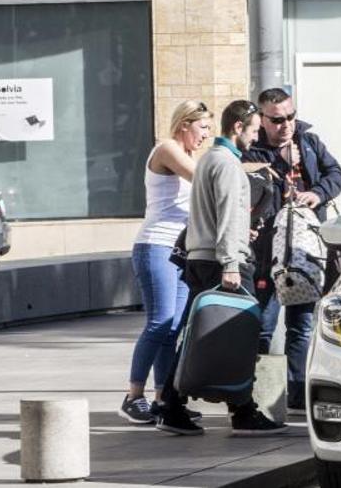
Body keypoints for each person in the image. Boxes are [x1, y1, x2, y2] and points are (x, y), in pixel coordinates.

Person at [155, 100, 286, 436]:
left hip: (201, 258)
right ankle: (243, 412)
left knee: (194, 338)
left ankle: (171, 405)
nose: (256, 136)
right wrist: (231, 262)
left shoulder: (210, 159)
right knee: (239, 335)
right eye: (254, 129)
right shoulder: (227, 164)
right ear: (238, 128)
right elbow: (227, 214)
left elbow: (215, 215)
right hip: (222, 262)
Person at [242, 87, 341, 416]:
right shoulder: (253, 152)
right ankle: (257, 394)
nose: (286, 124)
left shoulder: (309, 142)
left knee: (302, 324)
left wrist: (316, 194)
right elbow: (253, 193)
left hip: (304, 249)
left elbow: (336, 175)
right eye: (277, 120)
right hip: (268, 252)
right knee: (263, 324)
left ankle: (297, 391)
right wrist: (280, 165)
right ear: (262, 119)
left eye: (291, 116)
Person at [119, 101, 211, 424]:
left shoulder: (190, 155)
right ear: (184, 124)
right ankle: (133, 396)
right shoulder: (167, 148)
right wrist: (240, 169)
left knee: (174, 327)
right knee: (160, 321)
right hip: (155, 244)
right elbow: (203, 178)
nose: (206, 136)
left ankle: (163, 397)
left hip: (180, 250)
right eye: (202, 128)